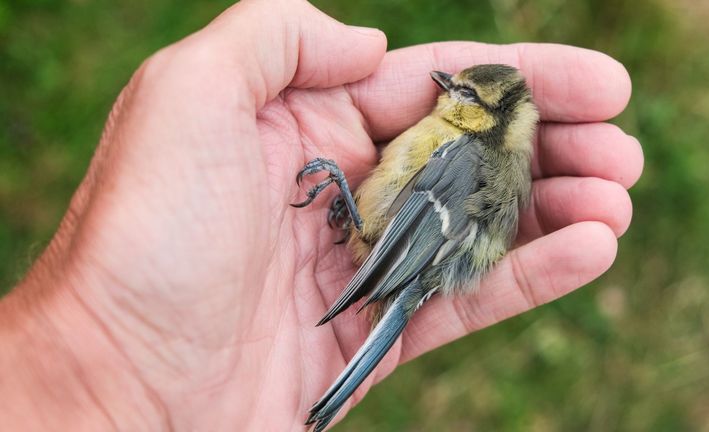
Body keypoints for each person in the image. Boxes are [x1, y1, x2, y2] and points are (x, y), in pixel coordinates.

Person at [0, 0, 643, 430]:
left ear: (488, 117)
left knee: (382, 228)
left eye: (467, 94)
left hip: (397, 254)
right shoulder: (478, 151)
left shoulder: (466, 151)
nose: (452, 91)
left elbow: (410, 231)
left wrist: (369, 266)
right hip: (396, 256)